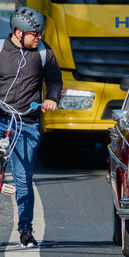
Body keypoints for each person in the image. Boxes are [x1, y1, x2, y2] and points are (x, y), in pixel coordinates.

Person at [0, 7, 62, 248]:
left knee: (23, 180)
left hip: (26, 123)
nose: (39, 37)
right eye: (34, 34)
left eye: (40, 33)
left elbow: (54, 80)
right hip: (1, 119)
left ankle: (25, 230)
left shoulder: (44, 52)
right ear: (18, 32)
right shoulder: (1, 51)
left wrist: (52, 98)